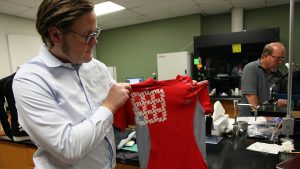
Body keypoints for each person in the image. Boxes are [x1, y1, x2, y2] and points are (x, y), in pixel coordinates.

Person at [12, 0, 132, 168]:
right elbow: (68, 148)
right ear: (56, 35)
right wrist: (109, 105)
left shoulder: (97, 68)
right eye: (87, 35)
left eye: (95, 32)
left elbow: (120, 95)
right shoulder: (30, 80)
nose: (95, 42)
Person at [239, 42, 287, 116]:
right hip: (249, 120)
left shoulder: (280, 75)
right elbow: (251, 96)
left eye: (282, 59)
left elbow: (277, 99)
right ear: (266, 55)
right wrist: (263, 117)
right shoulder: (251, 69)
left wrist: (280, 103)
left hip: (269, 121)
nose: (280, 62)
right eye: (277, 59)